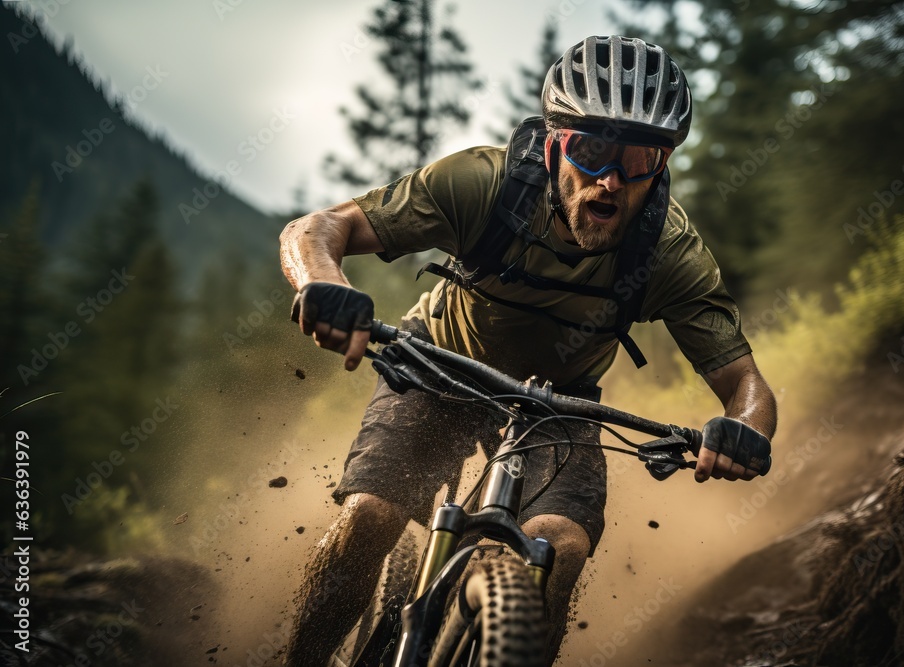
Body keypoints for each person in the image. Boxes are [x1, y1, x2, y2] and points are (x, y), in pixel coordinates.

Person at [279, 35, 777, 666]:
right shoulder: (482, 185)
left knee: (559, 546)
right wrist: (324, 286)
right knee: (372, 514)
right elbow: (319, 228)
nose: (611, 180)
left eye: (639, 160)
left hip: (560, 401)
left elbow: (748, 388)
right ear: (552, 146)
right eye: (592, 150)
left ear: (662, 167)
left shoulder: (668, 250)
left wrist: (742, 431)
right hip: (440, 363)